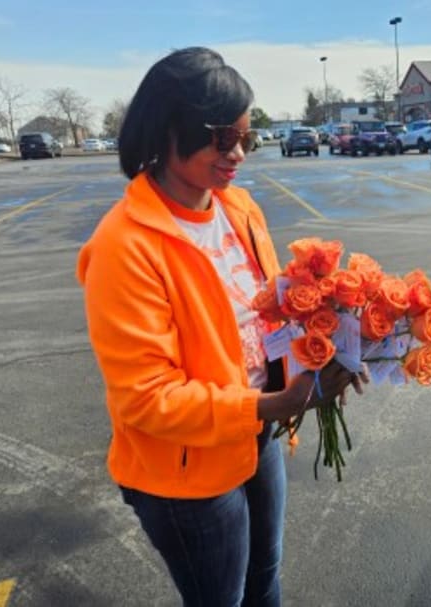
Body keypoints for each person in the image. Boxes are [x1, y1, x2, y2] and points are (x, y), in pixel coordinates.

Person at [76, 47, 363, 607]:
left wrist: (325, 352)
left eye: (246, 139)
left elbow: (275, 311)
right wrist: (273, 406)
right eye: (222, 138)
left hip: (258, 433)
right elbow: (146, 399)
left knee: (266, 578)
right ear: (167, 131)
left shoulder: (239, 209)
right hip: (186, 475)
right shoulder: (124, 247)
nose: (238, 155)